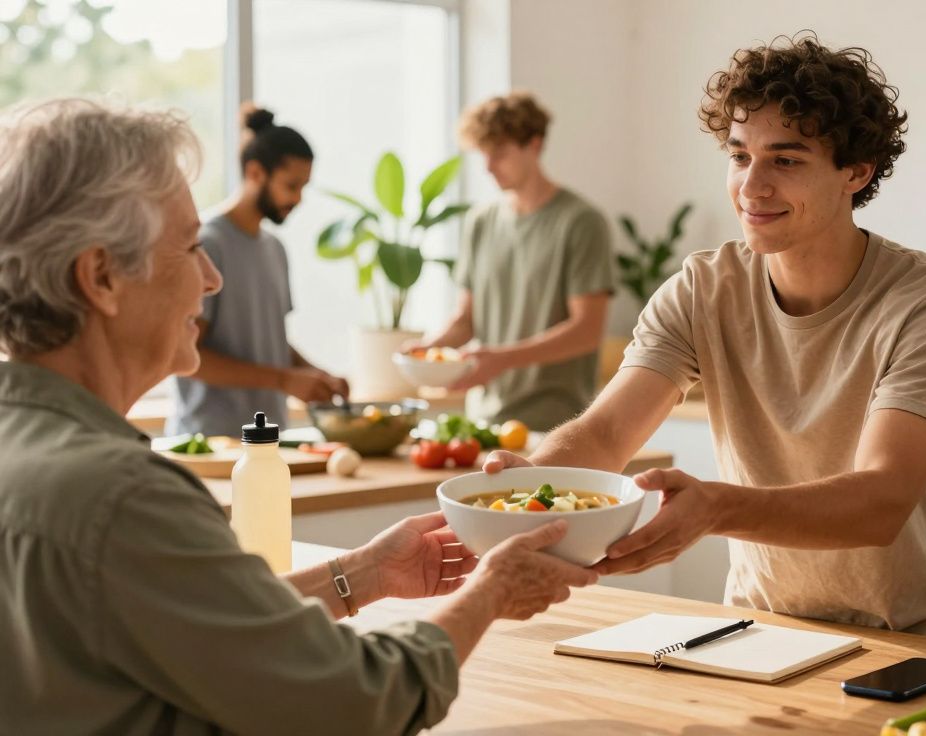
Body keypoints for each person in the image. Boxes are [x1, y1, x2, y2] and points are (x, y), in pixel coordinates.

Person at [0, 98, 597, 734]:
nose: (211, 278)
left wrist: (365, 573)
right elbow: (355, 702)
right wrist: (493, 589)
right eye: (189, 246)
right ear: (101, 277)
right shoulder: (124, 497)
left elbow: (215, 632)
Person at [486, 35, 926, 640]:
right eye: (740, 156)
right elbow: (607, 432)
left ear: (856, 171)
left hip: (912, 638)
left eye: (786, 160)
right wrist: (530, 486)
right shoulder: (703, 289)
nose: (752, 186)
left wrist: (717, 508)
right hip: (759, 627)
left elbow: (881, 501)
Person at [406, 92, 614, 431]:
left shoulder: (581, 222)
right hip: (483, 421)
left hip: (557, 423)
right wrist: (426, 351)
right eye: (483, 154)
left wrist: (502, 360)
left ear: (535, 145)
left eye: (499, 153)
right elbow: (465, 321)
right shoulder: (480, 222)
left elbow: (587, 331)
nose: (488, 166)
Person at [169, 104, 349, 438]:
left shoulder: (274, 248)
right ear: (255, 173)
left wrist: (315, 375)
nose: (298, 199)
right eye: (291, 185)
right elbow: (187, 354)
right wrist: (283, 379)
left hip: (266, 442)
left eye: (304, 187)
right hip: (210, 442)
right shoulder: (207, 244)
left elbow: (270, 342)